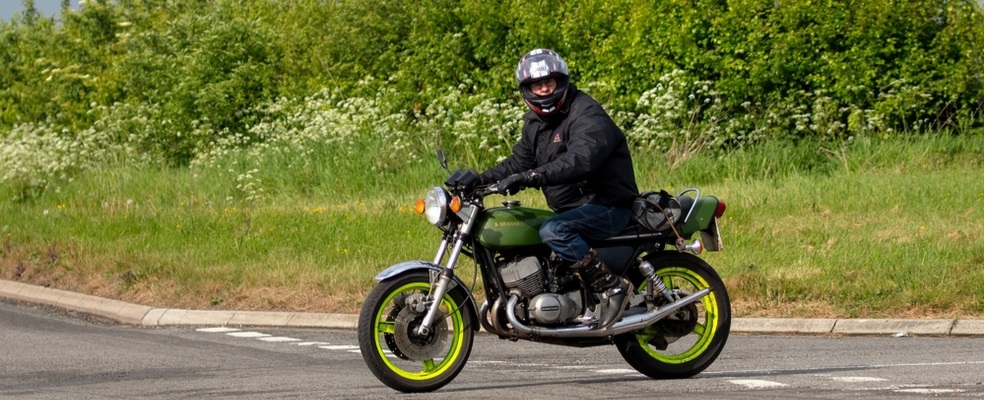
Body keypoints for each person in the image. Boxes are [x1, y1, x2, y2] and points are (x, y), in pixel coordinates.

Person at [480, 48, 640, 330]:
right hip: (572, 208)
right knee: (531, 228)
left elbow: (582, 159)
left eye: (549, 82)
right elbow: (519, 161)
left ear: (561, 81)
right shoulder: (536, 123)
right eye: (536, 85)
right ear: (526, 89)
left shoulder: (586, 112)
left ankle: (612, 288)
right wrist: (477, 180)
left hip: (607, 205)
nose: (544, 89)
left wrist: (532, 176)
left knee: (554, 231)